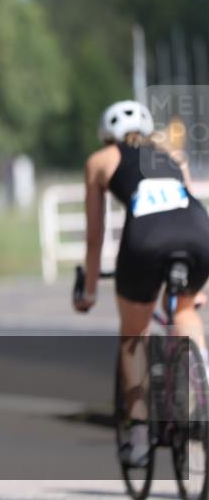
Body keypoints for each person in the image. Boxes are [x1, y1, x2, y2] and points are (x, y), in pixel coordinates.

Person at [74, 100, 209, 466]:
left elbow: (94, 236)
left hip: (146, 239)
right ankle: (200, 385)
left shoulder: (100, 161)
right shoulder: (171, 153)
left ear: (107, 136)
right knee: (185, 311)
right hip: (198, 232)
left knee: (134, 335)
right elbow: (187, 203)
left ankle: (137, 431)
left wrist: (88, 289)